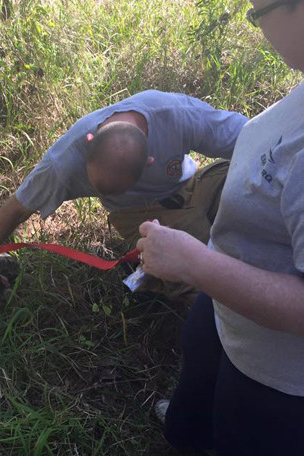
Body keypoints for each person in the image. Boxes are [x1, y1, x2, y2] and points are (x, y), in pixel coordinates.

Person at [136, 1, 304, 455]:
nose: (258, 24)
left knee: (238, 432)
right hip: (227, 312)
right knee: (196, 402)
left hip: (273, 382)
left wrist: (194, 263)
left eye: (258, 12)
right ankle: (188, 429)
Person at [0, 90, 247, 295]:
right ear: (90, 141)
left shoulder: (175, 114)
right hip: (141, 216)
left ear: (149, 160)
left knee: (251, 187)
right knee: (208, 265)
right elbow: (16, 208)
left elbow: (252, 138)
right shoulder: (63, 163)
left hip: (194, 183)